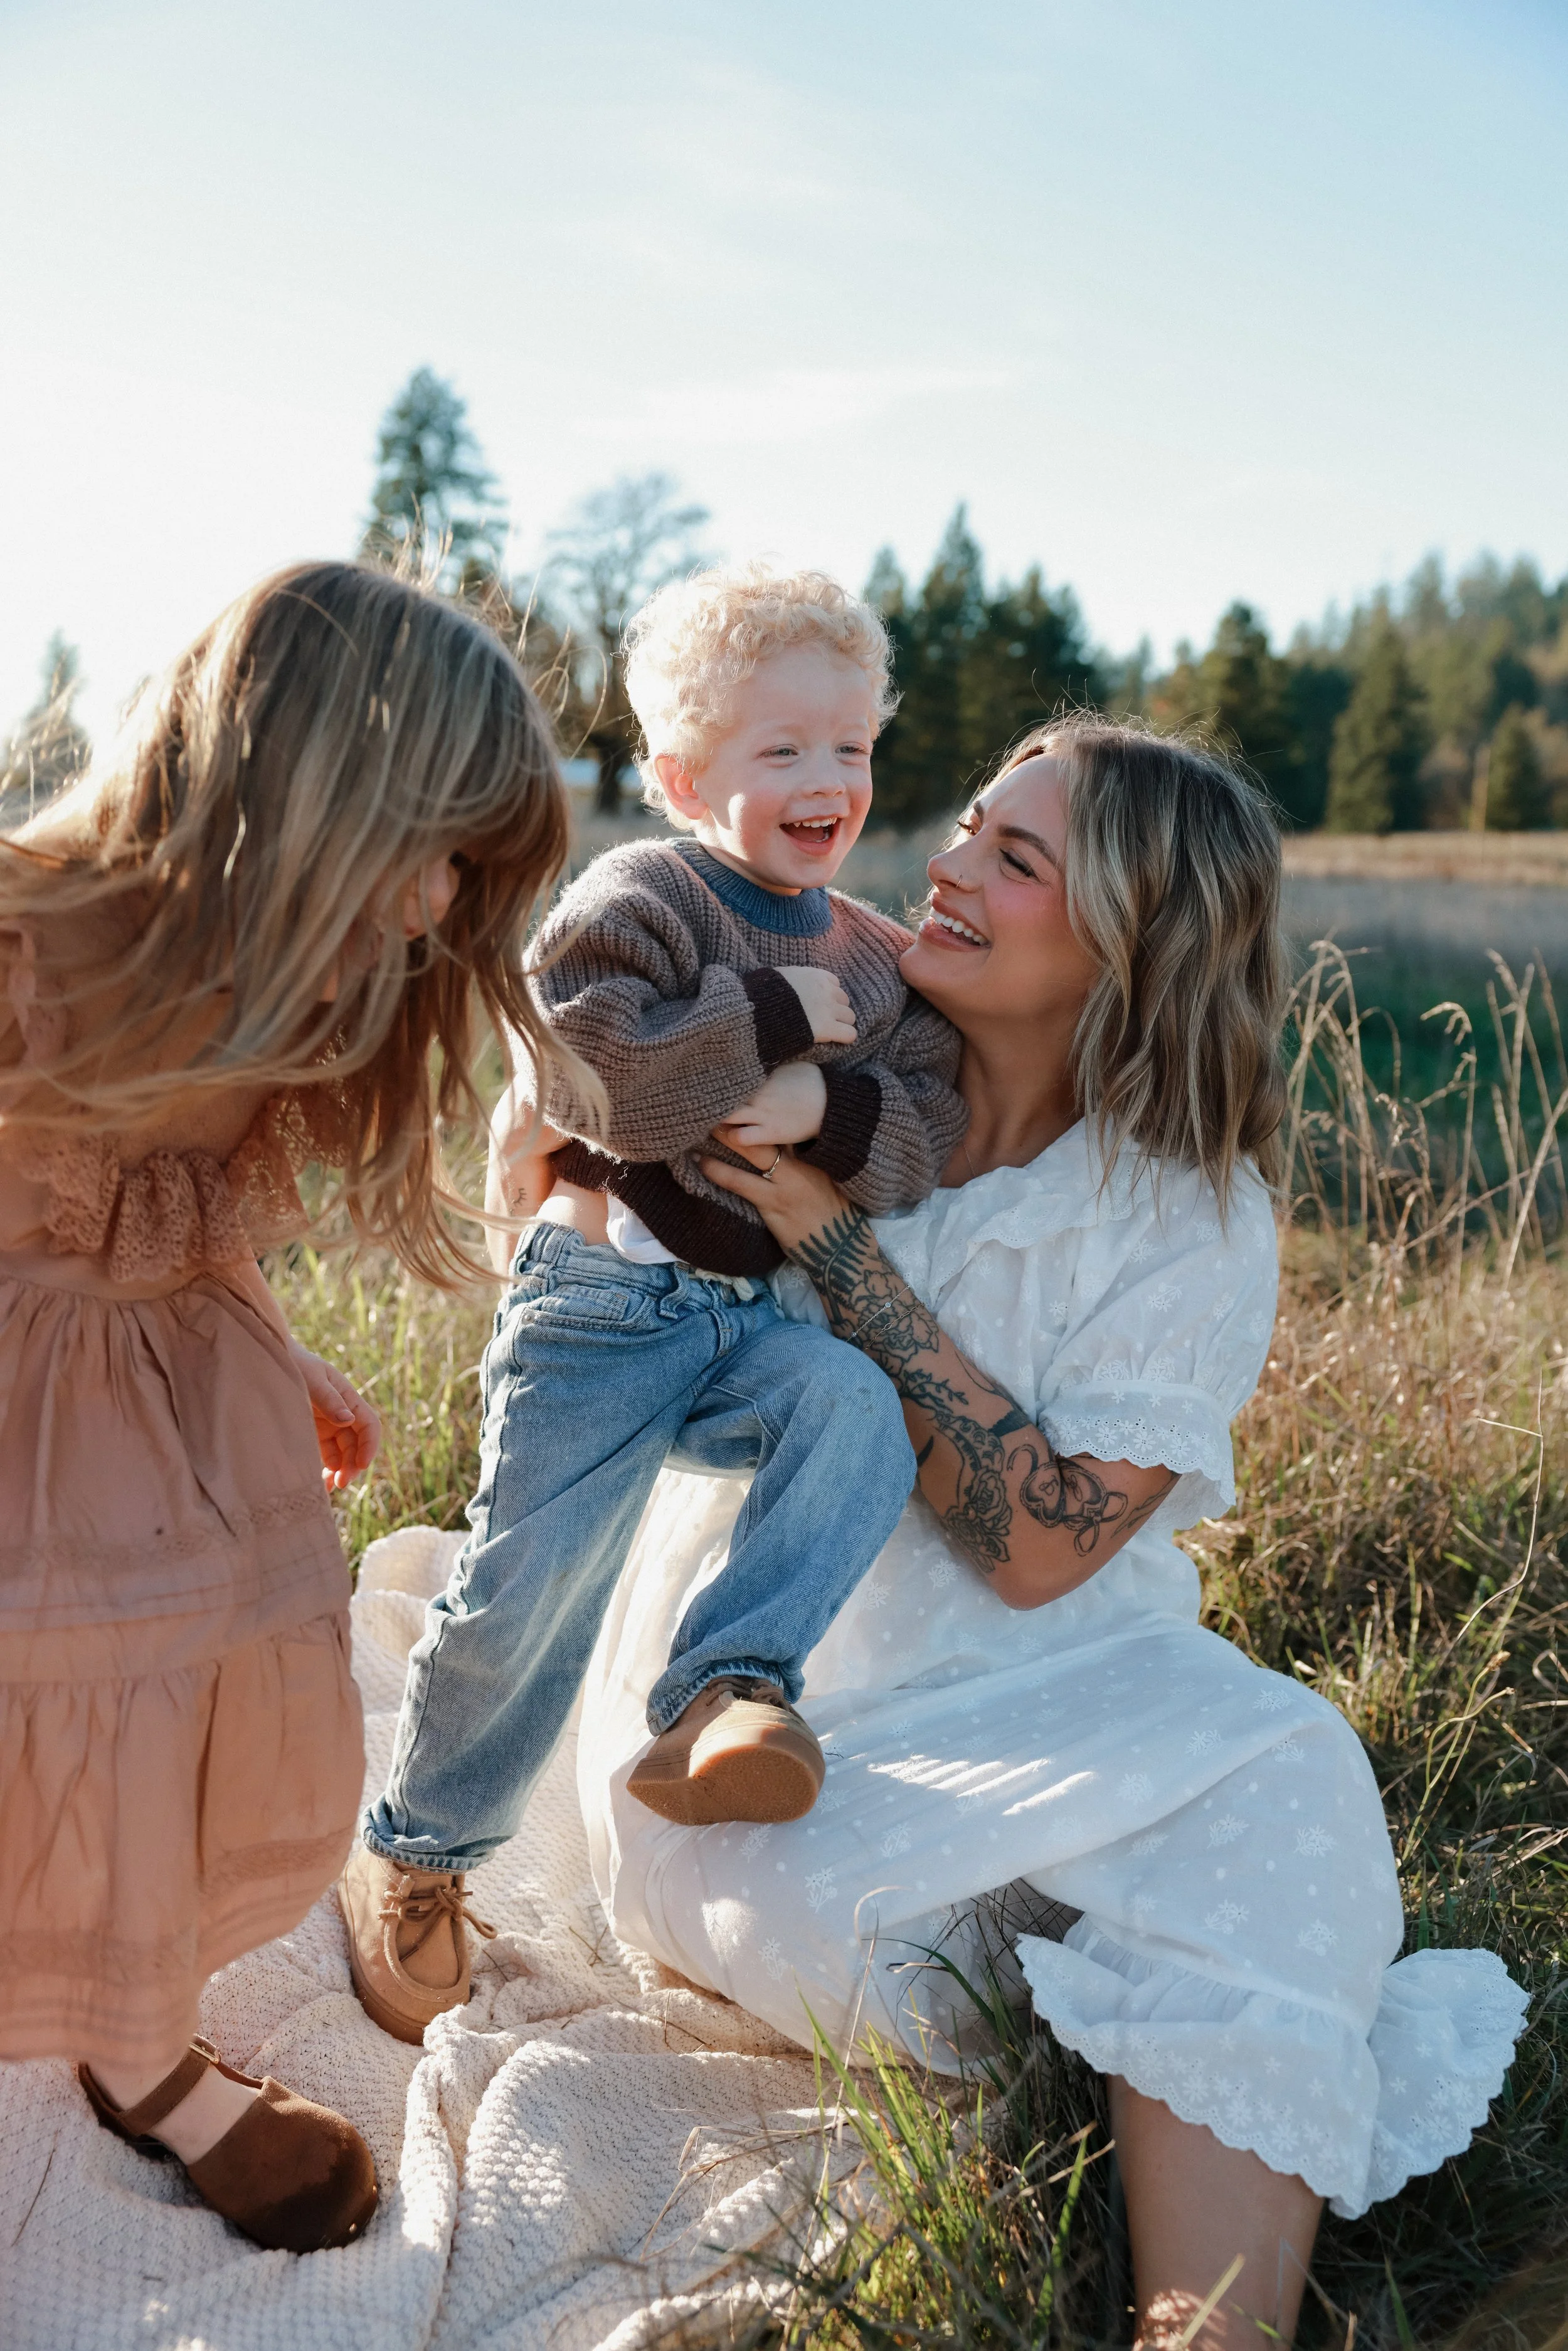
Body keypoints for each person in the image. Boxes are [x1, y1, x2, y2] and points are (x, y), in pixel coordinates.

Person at [575, 718, 1527, 2348]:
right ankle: (1140, 2023)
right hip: (778, 1746)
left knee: (1281, 1770)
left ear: (1133, 941)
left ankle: (1200, 2327)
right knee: (1160, 1855)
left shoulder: (1184, 1210)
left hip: (1081, 1691)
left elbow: (1038, 1549)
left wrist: (842, 1255)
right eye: (965, 827)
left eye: (1015, 858)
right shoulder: (810, 1086)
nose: (942, 863)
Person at [0, 560, 575, 2254]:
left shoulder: (278, 982)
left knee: (161, 1730)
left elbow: (185, 1200)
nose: (440, 905)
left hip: (173, 1401)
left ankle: (135, 2040)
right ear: (308, 789)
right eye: (439, 849)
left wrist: (273, 1340)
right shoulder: (27, 938)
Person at [346, 566, 966, 2046]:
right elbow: (592, 1075)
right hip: (602, 1307)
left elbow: (929, 1117)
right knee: (526, 1589)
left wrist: (821, 1092)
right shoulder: (645, 894)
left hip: (750, 1322)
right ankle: (417, 1853)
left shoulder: (869, 953)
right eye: (782, 752)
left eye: (850, 748)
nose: (828, 781)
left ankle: (724, 1690)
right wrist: (757, 1018)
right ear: (688, 778)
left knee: (856, 1413)